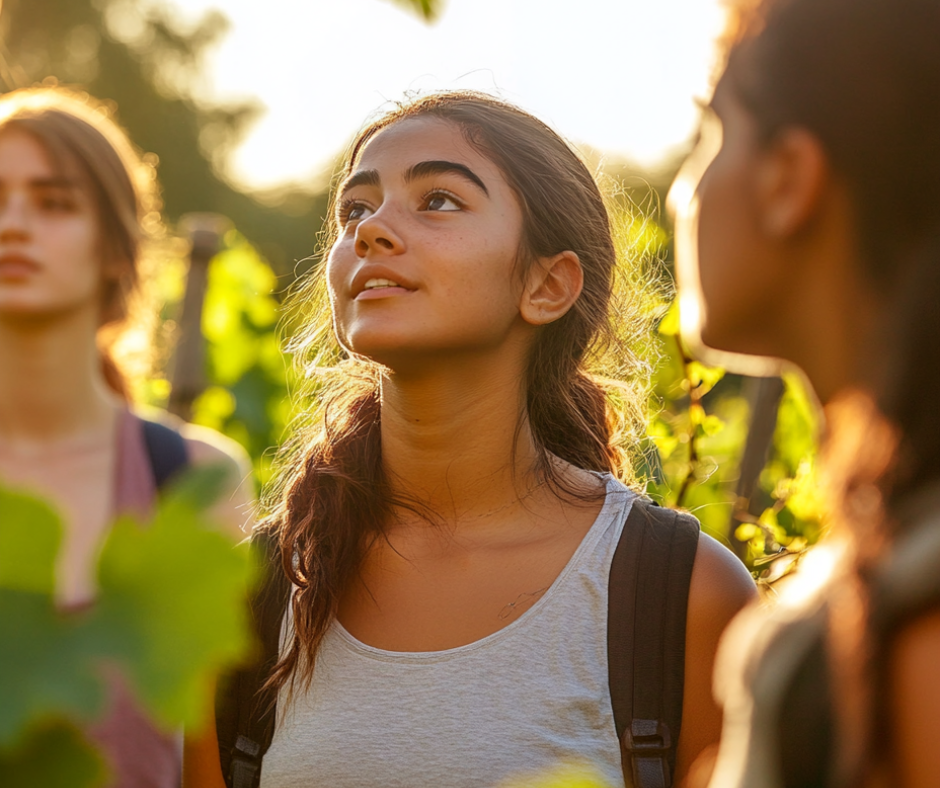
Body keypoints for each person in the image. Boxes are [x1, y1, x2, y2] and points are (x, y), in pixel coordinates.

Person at [190, 91, 756, 788]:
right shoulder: (251, 597)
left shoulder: (684, 596)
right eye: (355, 209)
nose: (371, 230)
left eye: (439, 201)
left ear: (548, 286)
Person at [669, 0, 940, 785]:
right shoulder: (881, 560)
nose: (683, 193)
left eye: (708, 138)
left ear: (789, 180)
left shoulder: (915, 606)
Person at [0, 87, 252, 787]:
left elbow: (205, 757)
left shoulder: (192, 476)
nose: (13, 223)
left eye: (53, 202)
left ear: (116, 249)